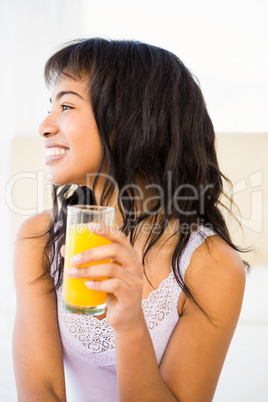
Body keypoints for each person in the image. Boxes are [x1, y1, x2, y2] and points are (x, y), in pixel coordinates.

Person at [13, 38, 247, 402]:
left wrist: (130, 325)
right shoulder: (40, 239)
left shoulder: (212, 266)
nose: (44, 126)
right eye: (50, 107)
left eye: (66, 106)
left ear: (128, 122)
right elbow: (40, 389)